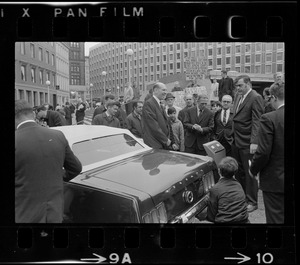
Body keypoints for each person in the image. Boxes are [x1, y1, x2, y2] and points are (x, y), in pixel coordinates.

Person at [15, 100, 82, 223]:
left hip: (23, 213)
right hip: (54, 212)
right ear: (34, 115)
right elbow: (76, 168)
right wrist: (56, 175)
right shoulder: (58, 135)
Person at [249, 82, 284, 224]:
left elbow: (263, 152)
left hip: (275, 181)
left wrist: (253, 169)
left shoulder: (269, 118)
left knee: (276, 220)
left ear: (274, 97)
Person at [231, 74, 264, 213]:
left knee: (250, 173)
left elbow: (257, 121)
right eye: (236, 86)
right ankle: (243, 198)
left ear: (248, 84)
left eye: (240, 85)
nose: (237, 88)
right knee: (239, 172)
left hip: (247, 142)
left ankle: (252, 201)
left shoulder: (256, 97)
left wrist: (254, 142)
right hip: (236, 140)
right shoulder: (239, 96)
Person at [206, 156, 249, 224]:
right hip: (244, 221)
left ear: (219, 171)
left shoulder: (215, 189)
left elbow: (211, 215)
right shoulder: (238, 185)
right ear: (235, 172)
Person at [142, 82, 172, 149]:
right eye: (163, 90)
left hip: (161, 143)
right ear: (155, 90)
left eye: (166, 90)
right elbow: (153, 126)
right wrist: (165, 140)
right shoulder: (149, 104)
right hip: (155, 144)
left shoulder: (160, 104)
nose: (165, 92)